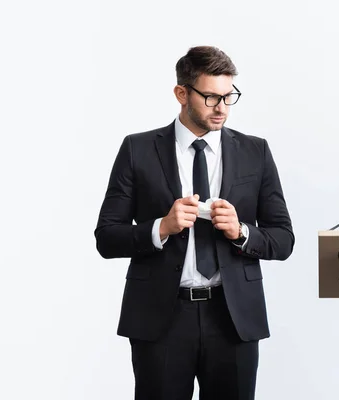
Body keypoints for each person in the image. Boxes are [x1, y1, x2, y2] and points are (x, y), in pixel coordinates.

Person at [94, 45, 295, 400]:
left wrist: (242, 232)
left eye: (229, 96)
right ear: (181, 93)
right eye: (211, 97)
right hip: (161, 318)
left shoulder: (256, 151)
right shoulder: (137, 149)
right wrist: (161, 227)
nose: (222, 108)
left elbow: (283, 239)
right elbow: (107, 237)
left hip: (233, 318)